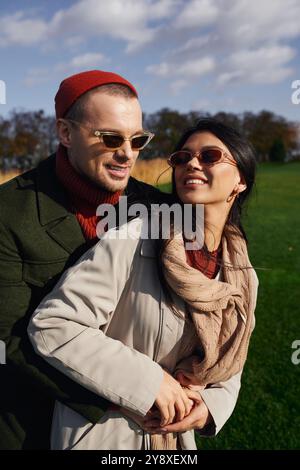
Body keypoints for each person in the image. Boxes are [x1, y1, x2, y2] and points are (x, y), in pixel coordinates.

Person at [28, 118, 259, 450]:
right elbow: (54, 324)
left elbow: (230, 361)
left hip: (176, 442)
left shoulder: (243, 274)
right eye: (182, 158)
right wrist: (149, 384)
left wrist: (209, 408)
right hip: (106, 436)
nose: (191, 163)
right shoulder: (135, 237)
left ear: (240, 181)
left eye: (209, 156)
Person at [0, 69, 173, 450]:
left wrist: (201, 397)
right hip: (34, 425)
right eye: (110, 138)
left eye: (137, 140)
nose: (127, 153)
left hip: (143, 433)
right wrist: (130, 391)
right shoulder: (7, 211)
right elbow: (8, 340)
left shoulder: (160, 209)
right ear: (65, 132)